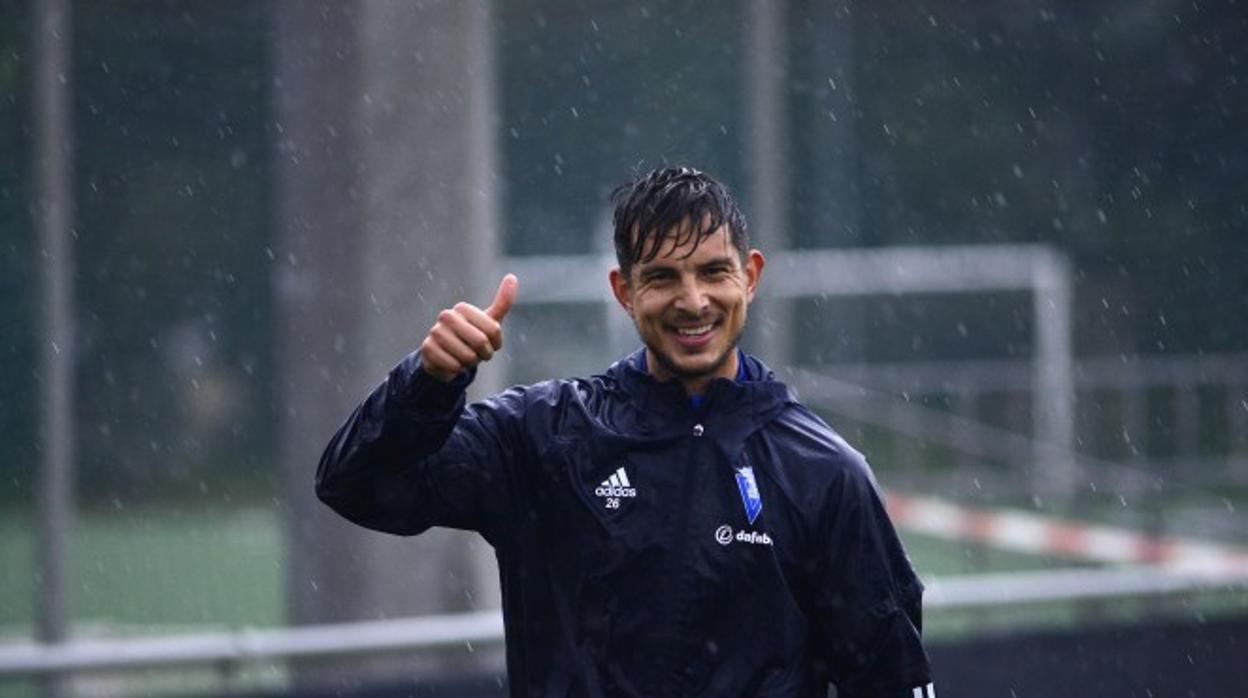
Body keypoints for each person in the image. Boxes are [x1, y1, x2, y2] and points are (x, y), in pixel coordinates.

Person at [317, 167, 935, 697]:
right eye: (663, 277)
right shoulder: (543, 437)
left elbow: (892, 678)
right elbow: (356, 485)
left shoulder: (823, 472)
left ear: (750, 275)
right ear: (624, 290)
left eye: (713, 272)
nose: (693, 301)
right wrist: (426, 383)